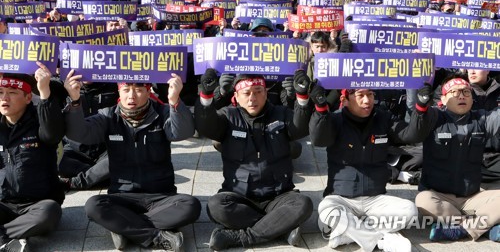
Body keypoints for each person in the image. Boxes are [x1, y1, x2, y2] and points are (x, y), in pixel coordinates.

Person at [63, 72, 201, 251]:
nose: (132, 96)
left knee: (191, 206)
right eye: (126, 89)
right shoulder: (108, 116)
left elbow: (183, 133)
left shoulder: (163, 112)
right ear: (119, 92)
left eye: (138, 90)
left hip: (161, 195)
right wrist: (74, 102)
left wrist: (174, 100)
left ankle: (124, 228)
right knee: (93, 206)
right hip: (122, 195)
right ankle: (156, 236)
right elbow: (79, 134)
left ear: (149, 90)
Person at [195, 69, 314, 250]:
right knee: (215, 206)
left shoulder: (281, 113)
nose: (252, 99)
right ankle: (279, 226)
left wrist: (302, 98)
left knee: (303, 204)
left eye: (258, 92)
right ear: (236, 95)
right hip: (240, 197)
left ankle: (241, 237)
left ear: (266, 93)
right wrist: (207, 95)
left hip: (279, 195)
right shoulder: (228, 116)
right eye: (246, 93)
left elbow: (301, 128)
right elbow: (206, 126)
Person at [309, 84, 430, 251]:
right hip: (341, 199)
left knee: (409, 211)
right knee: (326, 210)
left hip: (375, 200)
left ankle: (349, 233)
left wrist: (421, 108)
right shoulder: (335, 120)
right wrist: (321, 109)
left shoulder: (383, 118)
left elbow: (410, 134)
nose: (367, 100)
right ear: (347, 97)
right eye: (360, 95)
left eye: (371, 94)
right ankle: (379, 239)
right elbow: (318, 139)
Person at [412, 77, 500, 242]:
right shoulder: (434, 117)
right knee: (422, 200)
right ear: (443, 99)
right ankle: (486, 228)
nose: (461, 96)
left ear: (472, 99)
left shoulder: (482, 119)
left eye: (466, 92)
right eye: (454, 92)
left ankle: (461, 229)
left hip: (472, 197)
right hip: (439, 197)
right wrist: (421, 100)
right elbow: (416, 118)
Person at [0, 64, 66, 251]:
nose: (5, 98)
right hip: (5, 203)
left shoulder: (40, 119)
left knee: (49, 214)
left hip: (39, 204)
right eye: (0, 92)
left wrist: (45, 91)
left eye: (12, 92)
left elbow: (52, 134)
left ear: (29, 97)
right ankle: (17, 233)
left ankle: (3, 235)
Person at [58, 82, 118, 190]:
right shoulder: (62, 87)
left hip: (107, 148)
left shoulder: (115, 85)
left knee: (121, 157)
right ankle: (98, 176)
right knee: (55, 160)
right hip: (74, 150)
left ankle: (80, 181)